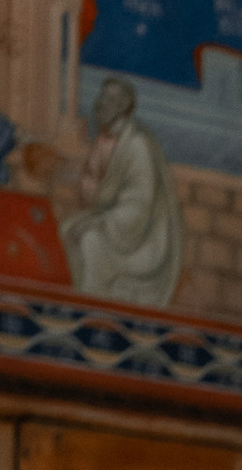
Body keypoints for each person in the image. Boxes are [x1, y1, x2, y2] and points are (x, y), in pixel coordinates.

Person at [60, 75, 183, 304]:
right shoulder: (106, 140)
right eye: (101, 97)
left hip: (140, 243)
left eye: (107, 100)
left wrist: (99, 221)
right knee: (67, 230)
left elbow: (137, 207)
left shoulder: (138, 146)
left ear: (122, 107)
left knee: (91, 242)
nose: (99, 104)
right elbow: (95, 185)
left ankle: (93, 309)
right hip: (115, 227)